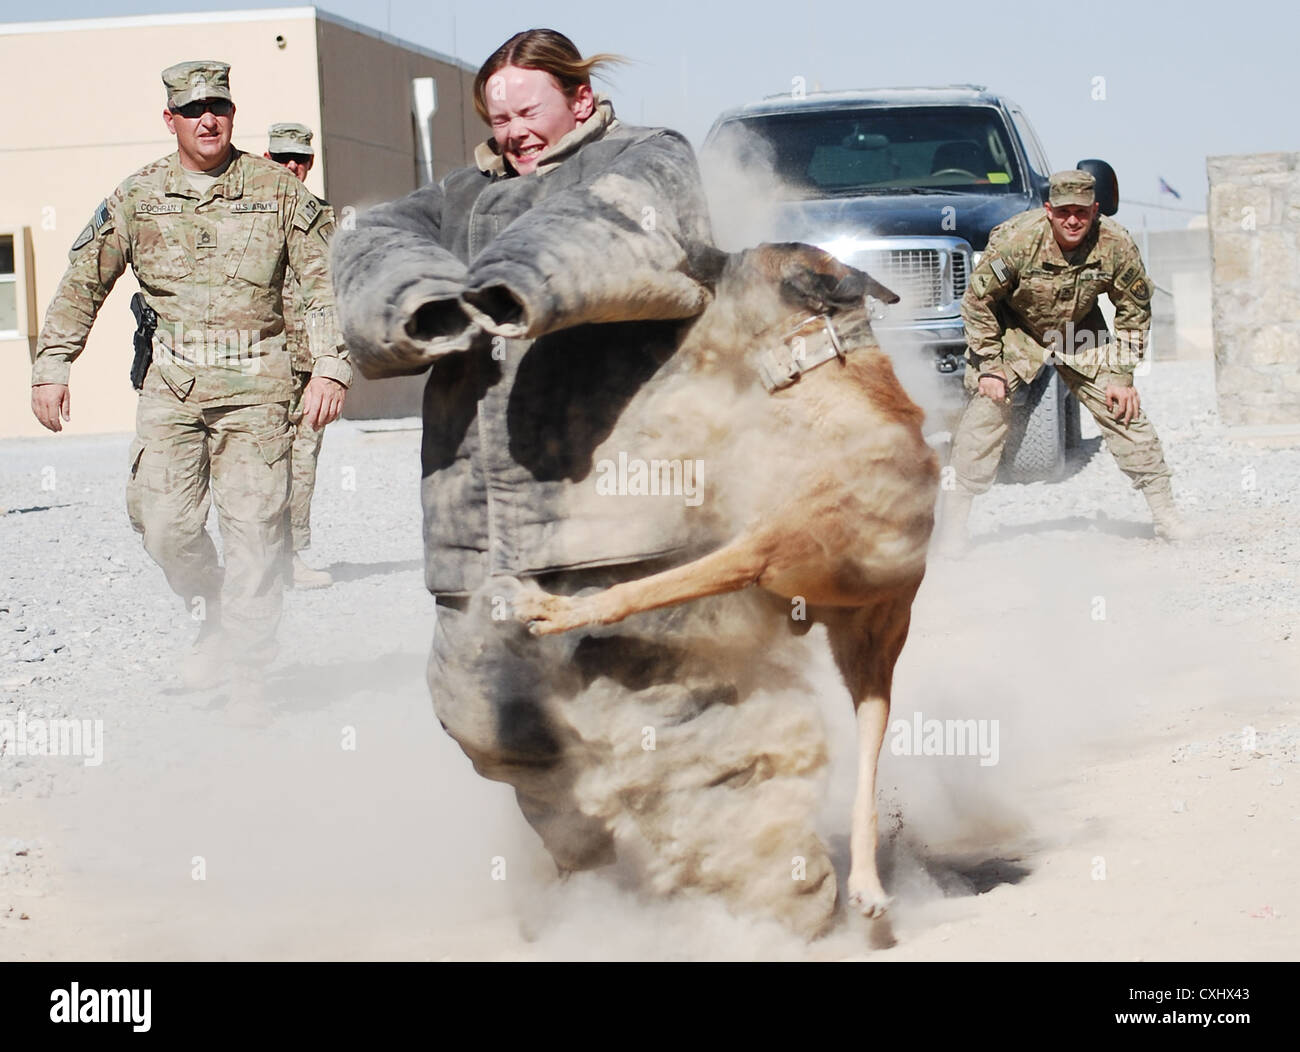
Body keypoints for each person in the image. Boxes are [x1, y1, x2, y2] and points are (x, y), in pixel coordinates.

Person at [332, 29, 837, 935]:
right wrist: (422, 303)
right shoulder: (456, 196)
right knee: (490, 718)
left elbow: (629, 232)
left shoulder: (649, 159)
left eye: (528, 111)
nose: (514, 131)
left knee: (686, 735)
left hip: (633, 529)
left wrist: (516, 284)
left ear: (574, 96)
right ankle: (598, 887)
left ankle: (783, 916)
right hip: (481, 536)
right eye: (497, 118)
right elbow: (372, 242)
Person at [31, 61, 352, 715]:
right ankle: (211, 614)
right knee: (163, 525)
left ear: (233, 114)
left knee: (256, 531)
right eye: (193, 108)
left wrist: (330, 364)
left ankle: (249, 676)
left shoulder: (278, 191)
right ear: (170, 119)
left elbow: (324, 280)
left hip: (259, 387)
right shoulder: (138, 195)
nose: (208, 119)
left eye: (220, 107)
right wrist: (53, 363)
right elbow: (84, 278)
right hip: (172, 386)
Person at [938, 169, 1184, 552]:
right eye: (1065, 211)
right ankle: (954, 528)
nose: (1073, 220)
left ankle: (1167, 516)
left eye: (1082, 212)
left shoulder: (1114, 243)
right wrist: (990, 365)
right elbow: (977, 301)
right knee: (984, 419)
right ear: (1049, 209)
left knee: (1125, 412)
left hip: (1078, 332)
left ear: (1095, 210)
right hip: (1015, 332)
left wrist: (1121, 374)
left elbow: (1133, 308)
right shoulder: (1019, 241)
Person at [264, 122, 335, 589]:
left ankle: (290, 558)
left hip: (309, 362)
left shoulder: (321, 218)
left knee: (301, 461)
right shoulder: (248, 211)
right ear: (268, 159)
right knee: (257, 462)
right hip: (262, 361)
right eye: (284, 158)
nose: (293, 166)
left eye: (302, 160)